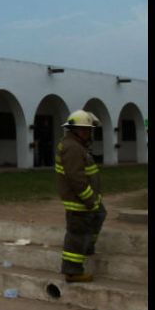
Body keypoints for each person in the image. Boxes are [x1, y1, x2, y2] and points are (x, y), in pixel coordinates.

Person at [55, 110, 106, 283]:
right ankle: (72, 271)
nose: (87, 132)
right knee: (77, 234)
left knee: (100, 214)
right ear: (73, 130)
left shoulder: (77, 145)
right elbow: (76, 179)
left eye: (89, 129)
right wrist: (90, 199)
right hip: (80, 202)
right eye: (83, 129)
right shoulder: (72, 147)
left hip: (87, 200)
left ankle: (88, 247)